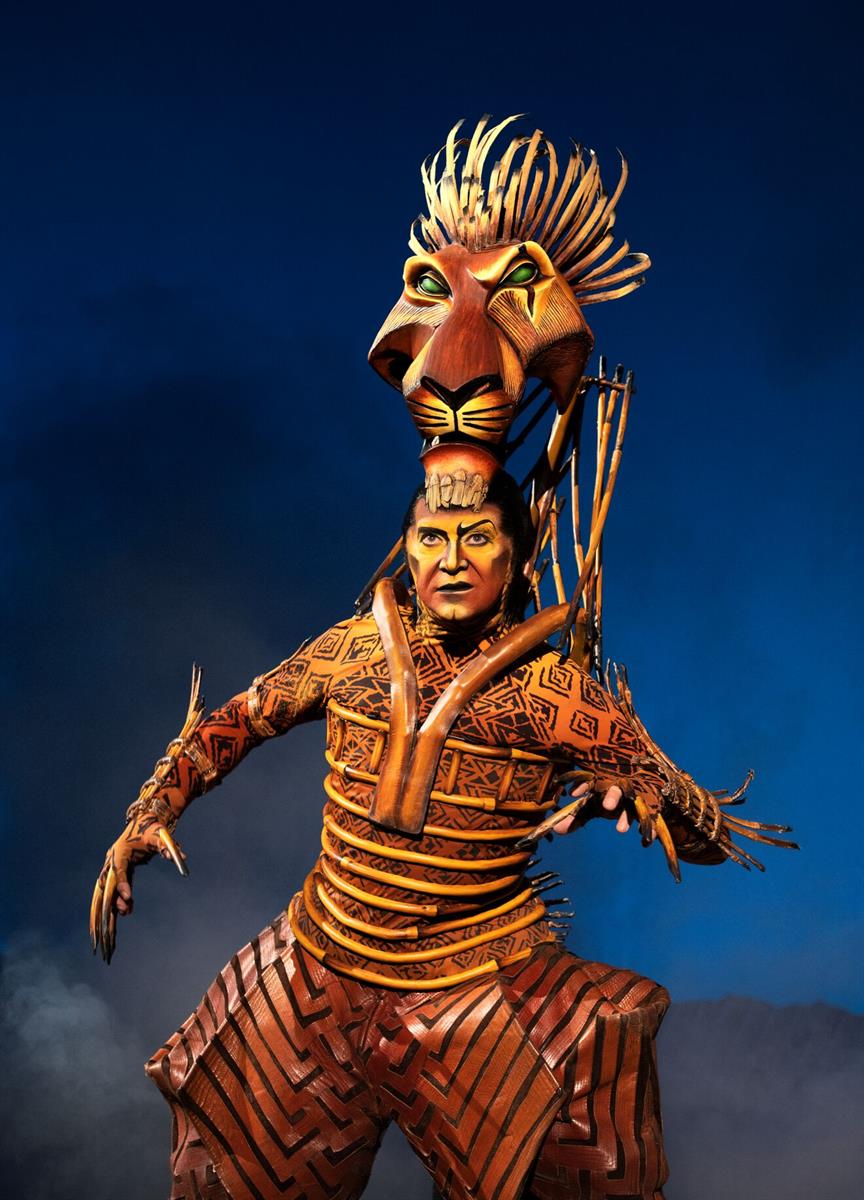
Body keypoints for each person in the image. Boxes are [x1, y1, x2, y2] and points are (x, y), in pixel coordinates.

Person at [91, 467, 741, 1200]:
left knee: (586, 1142)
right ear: (406, 549)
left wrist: (649, 800)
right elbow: (237, 720)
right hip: (316, 977)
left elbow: (710, 838)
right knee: (227, 1178)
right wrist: (152, 811)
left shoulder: (555, 693)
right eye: (431, 538)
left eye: (476, 537)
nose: (451, 560)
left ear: (518, 554)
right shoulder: (352, 651)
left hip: (479, 989)